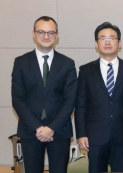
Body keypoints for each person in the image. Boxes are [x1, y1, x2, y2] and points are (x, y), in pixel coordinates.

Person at [11, 16, 77, 173]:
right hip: (30, 130)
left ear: (57, 35)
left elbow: (70, 100)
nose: (46, 36)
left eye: (50, 32)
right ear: (33, 34)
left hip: (59, 131)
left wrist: (51, 128)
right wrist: (38, 128)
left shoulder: (67, 63)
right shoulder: (21, 62)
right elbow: (18, 100)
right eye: (41, 32)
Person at [75, 22, 123, 173]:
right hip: (95, 136)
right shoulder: (85, 70)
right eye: (103, 38)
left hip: (122, 135)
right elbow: (81, 105)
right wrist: (81, 134)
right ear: (96, 44)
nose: (107, 42)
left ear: (119, 43)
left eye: (112, 38)